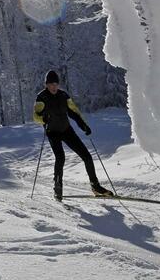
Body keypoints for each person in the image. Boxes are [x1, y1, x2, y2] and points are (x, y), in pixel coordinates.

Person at [33, 70, 112, 201]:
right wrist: (43, 119)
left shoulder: (63, 95)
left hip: (66, 130)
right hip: (52, 132)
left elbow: (73, 112)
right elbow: (35, 116)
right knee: (60, 158)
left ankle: (95, 186)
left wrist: (83, 125)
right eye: (50, 84)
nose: (53, 86)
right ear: (46, 85)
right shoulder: (41, 97)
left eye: (55, 84)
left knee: (87, 156)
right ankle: (58, 187)